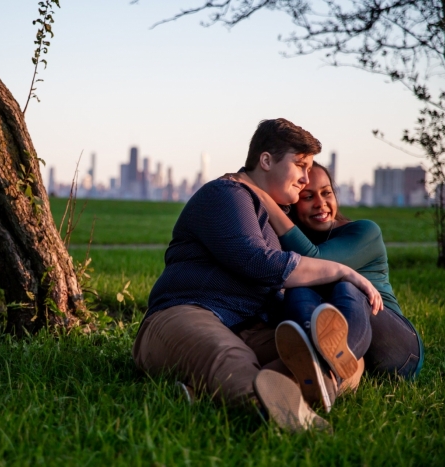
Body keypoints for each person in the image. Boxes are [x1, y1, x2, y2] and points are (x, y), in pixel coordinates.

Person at [132, 118, 383, 432]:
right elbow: (258, 263)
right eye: (300, 165)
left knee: (347, 361)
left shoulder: (273, 214)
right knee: (230, 357)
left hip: (251, 325)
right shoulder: (226, 194)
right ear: (266, 160)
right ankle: (292, 417)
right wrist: (344, 271)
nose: (306, 179)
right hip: (188, 314)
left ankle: (206, 395)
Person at [232, 163, 423, 379]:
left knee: (346, 283)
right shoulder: (291, 243)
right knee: (299, 285)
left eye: (326, 193)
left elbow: (315, 260)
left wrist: (262, 197)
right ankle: (314, 362)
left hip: (397, 348)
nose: (320, 204)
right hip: (351, 355)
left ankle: (334, 355)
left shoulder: (365, 231)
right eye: (308, 197)